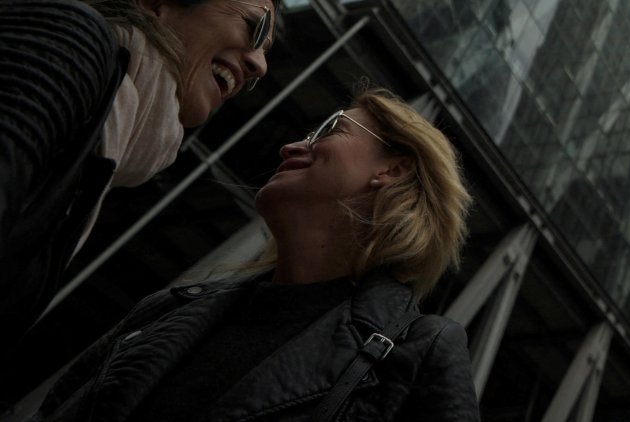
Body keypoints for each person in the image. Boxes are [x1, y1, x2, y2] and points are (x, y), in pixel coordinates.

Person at [32, 89, 479, 422]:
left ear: (392, 169)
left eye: (331, 130)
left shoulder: (418, 352)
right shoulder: (168, 308)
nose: (291, 146)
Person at [0, 0, 283, 339]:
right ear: (155, 4)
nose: (260, 66)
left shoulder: (104, 140)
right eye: (254, 29)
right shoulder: (74, 40)